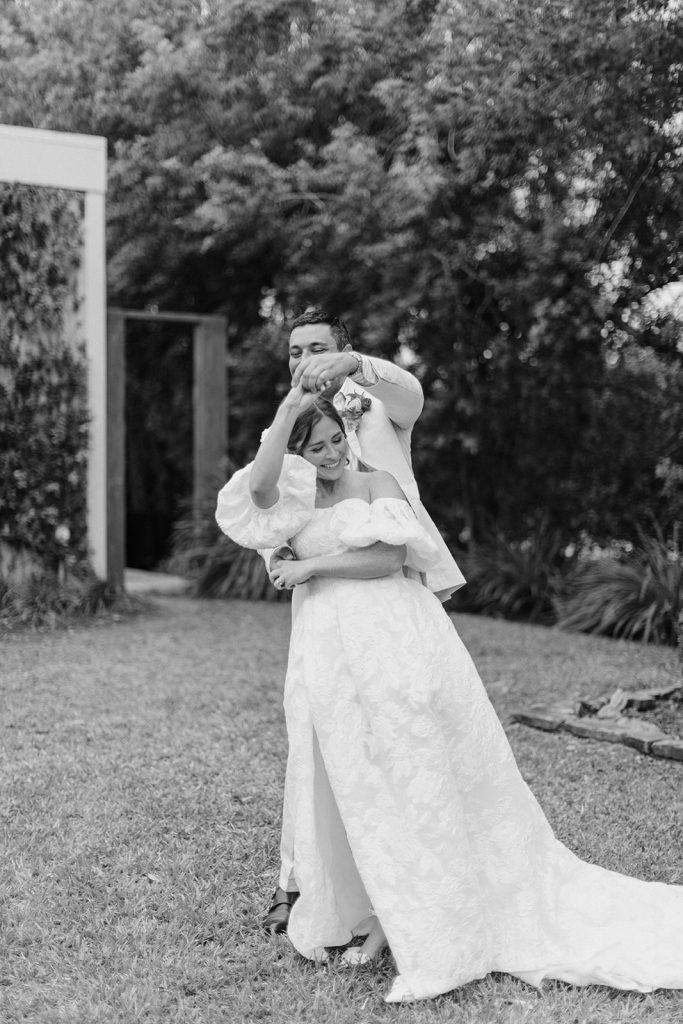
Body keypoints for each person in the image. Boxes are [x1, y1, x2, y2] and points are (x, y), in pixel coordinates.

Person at [216, 387, 683, 1004]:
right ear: (297, 451)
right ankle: (374, 910)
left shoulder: (377, 480)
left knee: (412, 774)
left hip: (393, 640)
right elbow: (255, 491)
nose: (331, 454)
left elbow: (387, 556)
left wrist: (310, 568)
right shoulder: (295, 498)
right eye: (316, 446)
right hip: (329, 655)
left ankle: (414, 922)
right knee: (352, 779)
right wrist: (284, 417)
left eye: (336, 440)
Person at [257, 307, 465, 934]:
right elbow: (273, 506)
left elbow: (416, 395)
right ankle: (301, 882)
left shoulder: (379, 405)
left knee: (393, 737)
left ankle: (402, 882)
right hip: (317, 607)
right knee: (314, 739)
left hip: (385, 595)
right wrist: (281, 554)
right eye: (295, 351)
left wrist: (356, 368)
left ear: (342, 350)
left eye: (317, 348)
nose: (304, 360)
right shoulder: (289, 423)